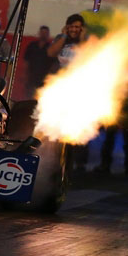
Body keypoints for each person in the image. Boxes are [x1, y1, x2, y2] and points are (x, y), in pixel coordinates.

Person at [47, 13, 95, 171]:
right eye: (71, 26)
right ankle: (56, 158)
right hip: (60, 86)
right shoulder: (61, 39)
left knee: (78, 124)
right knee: (57, 124)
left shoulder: (86, 40)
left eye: (77, 27)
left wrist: (82, 38)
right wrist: (63, 36)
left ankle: (79, 161)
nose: (74, 29)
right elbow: (51, 53)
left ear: (82, 28)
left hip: (79, 88)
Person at [96, 80, 128, 176]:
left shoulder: (127, 79)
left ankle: (108, 165)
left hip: (122, 111)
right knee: (115, 139)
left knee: (123, 140)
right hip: (117, 111)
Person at [24, 25, 55, 96]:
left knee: (41, 96)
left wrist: (50, 77)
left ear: (48, 34)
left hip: (44, 79)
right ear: (39, 33)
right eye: (42, 32)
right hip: (31, 77)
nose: (43, 35)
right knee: (29, 96)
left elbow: (53, 64)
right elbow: (26, 61)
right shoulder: (32, 45)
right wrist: (25, 75)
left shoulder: (51, 47)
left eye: (45, 33)